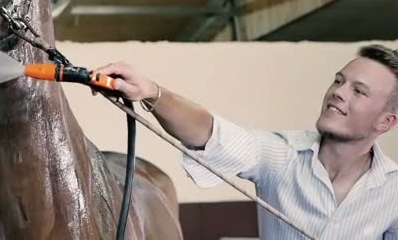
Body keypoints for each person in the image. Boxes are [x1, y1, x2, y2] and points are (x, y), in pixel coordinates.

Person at [92, 44, 398, 239]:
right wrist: (151, 92)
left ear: (385, 121)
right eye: (339, 80)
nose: (338, 92)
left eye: (358, 91)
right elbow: (211, 132)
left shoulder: (394, 192)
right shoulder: (281, 155)